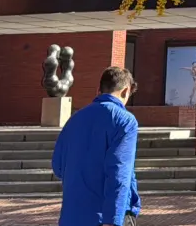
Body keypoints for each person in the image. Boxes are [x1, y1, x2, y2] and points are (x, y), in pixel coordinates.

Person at [52, 66, 141, 226]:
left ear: (98, 90)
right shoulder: (125, 121)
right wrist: (113, 219)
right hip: (104, 216)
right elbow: (119, 172)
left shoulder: (74, 119)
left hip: (71, 216)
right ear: (125, 91)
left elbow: (58, 166)